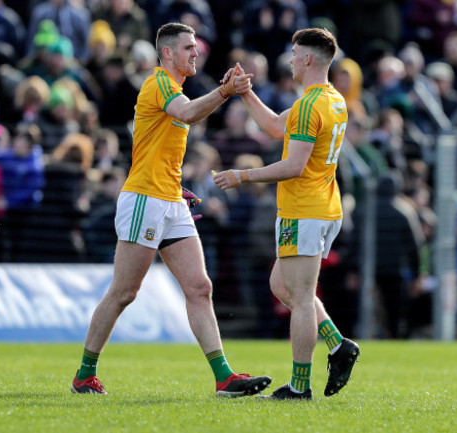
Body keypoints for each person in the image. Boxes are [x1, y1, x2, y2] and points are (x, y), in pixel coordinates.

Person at [71, 22, 271, 397]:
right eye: (188, 48)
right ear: (167, 53)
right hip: (145, 199)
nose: (196, 53)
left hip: (169, 200)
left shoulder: (173, 87)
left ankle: (224, 377)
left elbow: (167, 137)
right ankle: (84, 373)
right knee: (124, 292)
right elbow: (188, 113)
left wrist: (176, 186)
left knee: (200, 287)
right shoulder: (160, 81)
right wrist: (225, 91)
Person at [213, 28, 360, 400]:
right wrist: (246, 93)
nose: (291, 59)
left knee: (301, 293)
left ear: (308, 59)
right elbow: (277, 127)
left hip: (305, 209)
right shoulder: (329, 98)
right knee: (283, 287)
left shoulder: (312, 104)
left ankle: (299, 386)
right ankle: (339, 346)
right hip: (319, 205)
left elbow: (293, 165)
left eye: (294, 54)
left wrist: (242, 176)